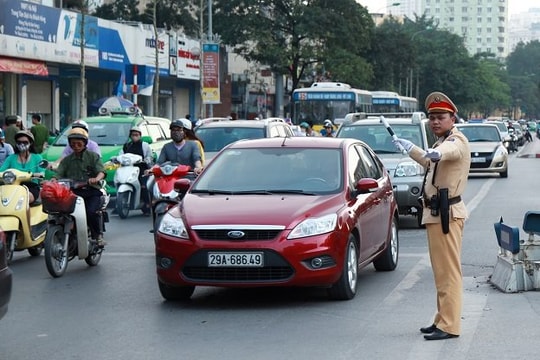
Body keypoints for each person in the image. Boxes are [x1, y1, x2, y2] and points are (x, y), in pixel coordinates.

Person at [393, 92, 470, 341]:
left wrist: (435, 153)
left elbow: (448, 152)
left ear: (452, 118)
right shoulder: (440, 142)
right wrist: (413, 150)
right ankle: (441, 319)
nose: (435, 122)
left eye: (440, 117)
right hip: (436, 213)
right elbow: (431, 163)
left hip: (447, 214)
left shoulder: (456, 140)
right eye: (432, 118)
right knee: (441, 272)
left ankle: (449, 325)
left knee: (448, 272)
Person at [54, 127, 106, 247]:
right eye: (73, 144)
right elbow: (59, 173)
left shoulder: (93, 156)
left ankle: (98, 236)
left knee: (91, 212)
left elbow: (101, 171)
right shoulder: (67, 160)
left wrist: (96, 179)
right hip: (73, 193)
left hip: (91, 192)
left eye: (79, 144)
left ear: (85, 144)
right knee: (61, 213)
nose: (76, 146)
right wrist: (53, 179)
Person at [0, 130, 44, 204]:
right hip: (12, 186)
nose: (22, 144)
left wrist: (39, 175)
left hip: (31, 187)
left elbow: (42, 172)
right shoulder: (11, 158)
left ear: (31, 143)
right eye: (19, 142)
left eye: (25, 142)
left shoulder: (37, 157)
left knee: (25, 199)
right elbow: (2, 171)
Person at [118, 126, 153, 215]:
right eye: (133, 135)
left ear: (140, 136)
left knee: (144, 186)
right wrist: (116, 159)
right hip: (128, 168)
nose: (135, 136)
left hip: (142, 169)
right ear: (130, 136)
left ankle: (147, 204)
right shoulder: (126, 145)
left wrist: (147, 160)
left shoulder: (144, 145)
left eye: (137, 135)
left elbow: (149, 156)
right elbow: (121, 155)